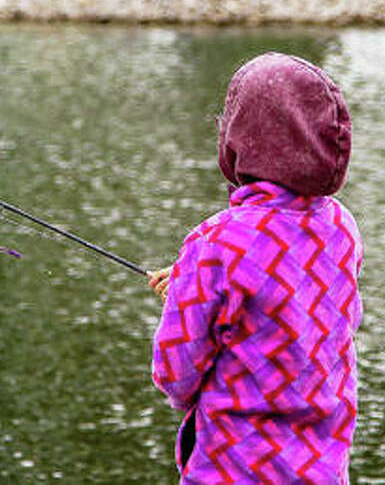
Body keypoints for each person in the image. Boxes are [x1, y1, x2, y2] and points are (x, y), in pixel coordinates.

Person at [149, 52, 363, 485]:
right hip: (322, 469)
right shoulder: (341, 226)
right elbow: (285, 290)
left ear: (238, 138)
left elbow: (175, 375)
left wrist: (193, 285)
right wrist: (194, 279)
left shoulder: (215, 243)